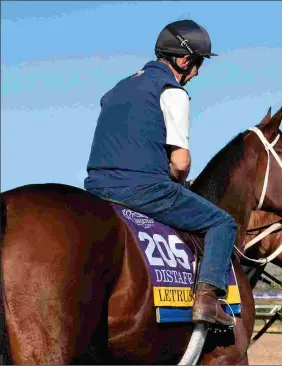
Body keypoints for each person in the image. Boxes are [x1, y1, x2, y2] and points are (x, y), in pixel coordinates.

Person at [84, 19, 236, 327]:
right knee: (223, 222)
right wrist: (178, 179)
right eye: (197, 65)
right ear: (183, 60)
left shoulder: (116, 89)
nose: (196, 73)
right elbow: (180, 164)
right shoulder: (173, 91)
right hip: (142, 189)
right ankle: (207, 299)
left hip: (97, 188)